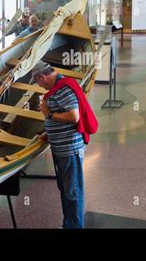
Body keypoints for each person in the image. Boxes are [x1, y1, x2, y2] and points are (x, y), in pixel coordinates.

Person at [31, 61, 97, 229]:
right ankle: (68, 224)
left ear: (41, 77)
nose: (39, 85)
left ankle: (74, 226)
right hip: (61, 148)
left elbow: (73, 116)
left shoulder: (64, 89)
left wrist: (49, 114)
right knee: (66, 189)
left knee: (73, 191)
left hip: (69, 149)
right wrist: (48, 133)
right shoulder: (59, 87)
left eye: (37, 81)